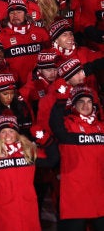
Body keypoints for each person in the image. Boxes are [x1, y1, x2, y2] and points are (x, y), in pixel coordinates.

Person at [0, 112, 58, 231]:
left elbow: (52, 160)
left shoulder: (28, 152)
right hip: (4, 211)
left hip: (27, 208)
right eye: (3, 132)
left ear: (17, 134)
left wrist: (44, 137)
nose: (7, 135)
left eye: (11, 131)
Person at [49, 85, 104, 230]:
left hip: (99, 193)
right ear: (74, 105)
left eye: (89, 102)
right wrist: (61, 101)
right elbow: (54, 123)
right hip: (75, 196)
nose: (86, 105)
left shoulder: (101, 127)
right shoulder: (68, 124)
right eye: (81, 102)